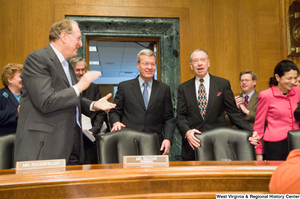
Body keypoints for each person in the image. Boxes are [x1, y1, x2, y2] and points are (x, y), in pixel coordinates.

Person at [14, 19, 116, 165]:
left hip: (72, 145)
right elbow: (46, 101)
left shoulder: (66, 65)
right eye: (78, 38)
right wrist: (80, 86)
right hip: (45, 147)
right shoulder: (37, 59)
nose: (80, 44)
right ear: (63, 37)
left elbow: (69, 98)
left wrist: (94, 105)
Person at [176, 49, 259, 161]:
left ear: (208, 63)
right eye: (195, 61)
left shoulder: (222, 84)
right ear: (191, 66)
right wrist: (187, 131)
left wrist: (251, 132)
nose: (199, 63)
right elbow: (180, 116)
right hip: (193, 145)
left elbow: (233, 113)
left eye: (202, 60)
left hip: (219, 146)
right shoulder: (183, 88)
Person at [109, 49, 175, 155]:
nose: (149, 67)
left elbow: (168, 118)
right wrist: (116, 122)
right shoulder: (125, 87)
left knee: (154, 172)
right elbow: (114, 112)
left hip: (155, 143)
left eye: (152, 64)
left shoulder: (164, 88)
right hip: (128, 142)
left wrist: (168, 138)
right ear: (138, 65)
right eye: (145, 63)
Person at [254, 60, 300, 161]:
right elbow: (259, 126)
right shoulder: (266, 95)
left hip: (297, 142)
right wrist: (259, 152)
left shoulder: (298, 92)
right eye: (289, 78)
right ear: (278, 77)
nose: (293, 82)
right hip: (276, 145)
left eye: (295, 78)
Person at [70, 57, 109, 164]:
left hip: (91, 137)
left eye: (83, 70)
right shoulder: (67, 89)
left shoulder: (93, 88)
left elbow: (100, 113)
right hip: (72, 137)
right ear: (71, 71)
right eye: (77, 70)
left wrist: (94, 130)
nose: (81, 72)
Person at [0, 63, 23, 135]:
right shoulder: (1, 95)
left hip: (25, 139)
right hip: (6, 139)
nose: (24, 79)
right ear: (9, 79)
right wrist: (16, 112)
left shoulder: (27, 96)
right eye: (20, 77)